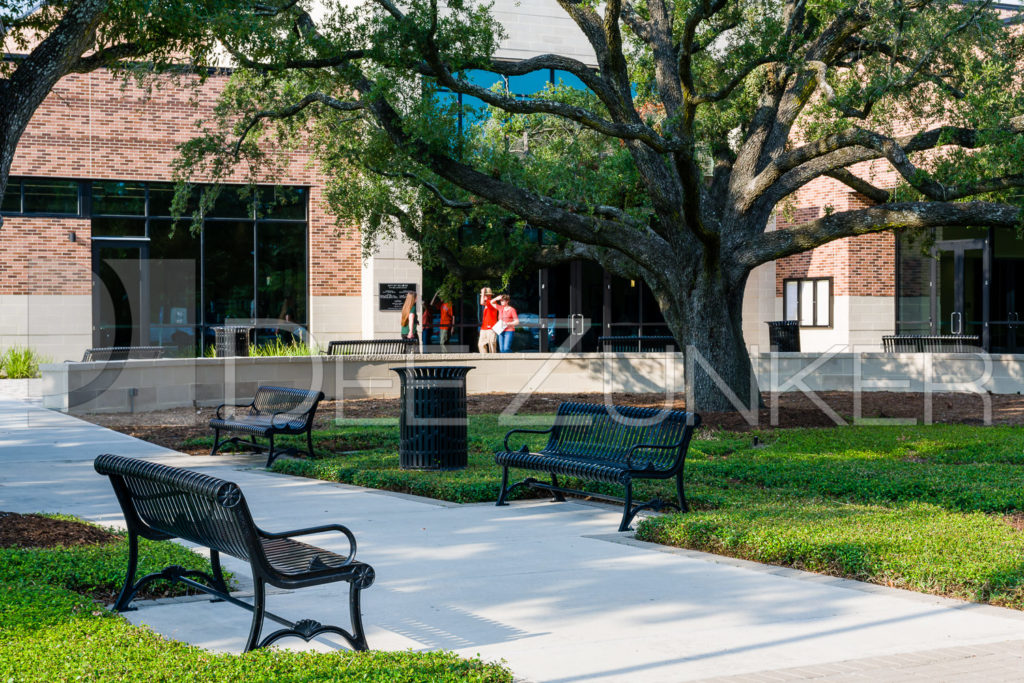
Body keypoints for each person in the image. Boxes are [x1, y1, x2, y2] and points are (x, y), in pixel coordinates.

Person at [478, 287, 498, 353]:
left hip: (491, 327)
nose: (484, 296)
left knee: (491, 344)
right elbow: (482, 302)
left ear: (490, 295)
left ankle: (493, 360)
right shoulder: (486, 304)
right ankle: (484, 358)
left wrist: (483, 292)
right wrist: (483, 294)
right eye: (483, 295)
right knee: (481, 344)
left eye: (486, 295)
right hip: (484, 328)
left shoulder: (493, 302)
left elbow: (481, 302)